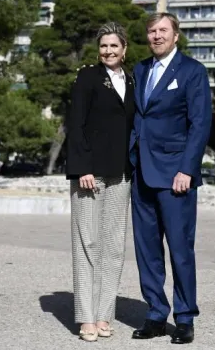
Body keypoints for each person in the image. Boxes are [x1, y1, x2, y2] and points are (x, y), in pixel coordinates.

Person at [129, 13, 212, 344]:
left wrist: (187, 170)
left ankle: (185, 316)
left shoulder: (192, 71)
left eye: (163, 30)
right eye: (152, 31)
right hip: (142, 174)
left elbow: (200, 123)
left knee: (180, 249)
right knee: (147, 251)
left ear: (176, 36)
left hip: (176, 175)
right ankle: (154, 314)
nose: (156, 36)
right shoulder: (140, 70)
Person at [66, 22, 135, 342]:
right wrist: (82, 168)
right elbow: (76, 124)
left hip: (121, 174)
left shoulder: (133, 80)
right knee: (87, 245)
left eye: (114, 46)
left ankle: (106, 313)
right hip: (89, 174)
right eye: (103, 46)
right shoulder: (87, 77)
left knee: (114, 247)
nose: (108, 51)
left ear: (125, 49)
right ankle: (86, 317)